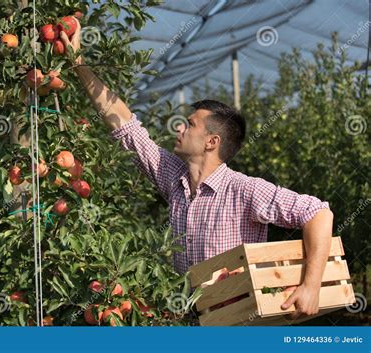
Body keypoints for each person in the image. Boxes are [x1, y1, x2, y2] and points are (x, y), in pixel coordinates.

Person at [59, 19, 334, 321]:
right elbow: (126, 127)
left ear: (211, 142)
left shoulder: (243, 190)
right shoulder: (174, 179)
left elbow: (318, 213)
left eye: (190, 124)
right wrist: (78, 64)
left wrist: (311, 285)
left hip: (238, 324)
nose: (180, 127)